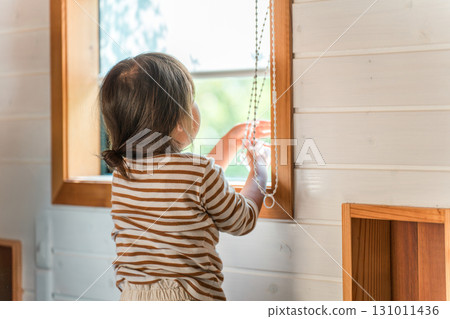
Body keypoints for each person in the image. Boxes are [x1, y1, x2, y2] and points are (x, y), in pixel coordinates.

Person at [100, 52, 270, 301]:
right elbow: (241, 219)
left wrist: (232, 140)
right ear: (179, 121)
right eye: (192, 99)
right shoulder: (197, 172)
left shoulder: (123, 175)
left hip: (133, 296)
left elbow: (189, 181)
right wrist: (260, 172)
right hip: (186, 297)